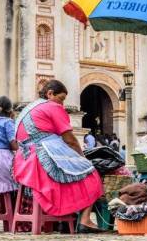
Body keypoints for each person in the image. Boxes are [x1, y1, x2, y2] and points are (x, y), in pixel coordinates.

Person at [13, 79, 104, 232]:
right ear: (50, 94)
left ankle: (60, 222)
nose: (62, 104)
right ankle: (85, 219)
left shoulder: (28, 108)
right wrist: (82, 158)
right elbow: (70, 139)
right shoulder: (52, 107)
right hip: (43, 157)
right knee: (91, 173)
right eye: (61, 99)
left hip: (24, 160)